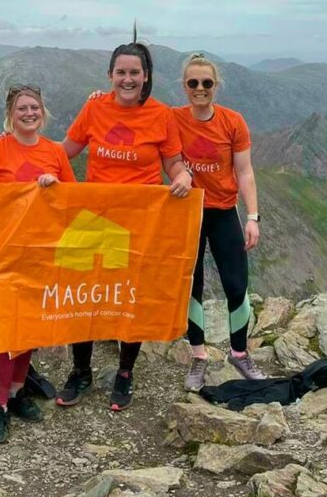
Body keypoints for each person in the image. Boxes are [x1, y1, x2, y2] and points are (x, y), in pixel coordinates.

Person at [56, 41, 193, 411]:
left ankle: (125, 373)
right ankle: (80, 370)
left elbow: (175, 165)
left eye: (135, 73)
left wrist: (185, 178)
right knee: (82, 296)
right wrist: (20, 148)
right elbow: (63, 151)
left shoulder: (162, 116)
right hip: (94, 218)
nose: (127, 79)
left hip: (138, 223)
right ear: (110, 76)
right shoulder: (94, 106)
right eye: (121, 72)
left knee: (127, 298)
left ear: (146, 76)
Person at [0, 84, 76, 444]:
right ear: (10, 115)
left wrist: (55, 188)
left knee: (30, 326)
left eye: (34, 108)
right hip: (2, 252)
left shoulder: (55, 153)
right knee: (2, 329)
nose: (29, 113)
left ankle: (16, 393)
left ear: (42, 112)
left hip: (41, 253)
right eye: (21, 109)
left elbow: (73, 201)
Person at [174, 53, 265, 391]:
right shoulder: (172, 119)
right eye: (193, 83)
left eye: (207, 83)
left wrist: (252, 217)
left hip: (224, 210)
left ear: (216, 86)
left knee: (236, 283)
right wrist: (102, 96)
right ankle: (198, 357)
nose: (200, 88)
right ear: (184, 87)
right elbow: (134, 113)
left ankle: (239, 353)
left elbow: (244, 171)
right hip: (188, 212)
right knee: (190, 284)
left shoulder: (232, 122)